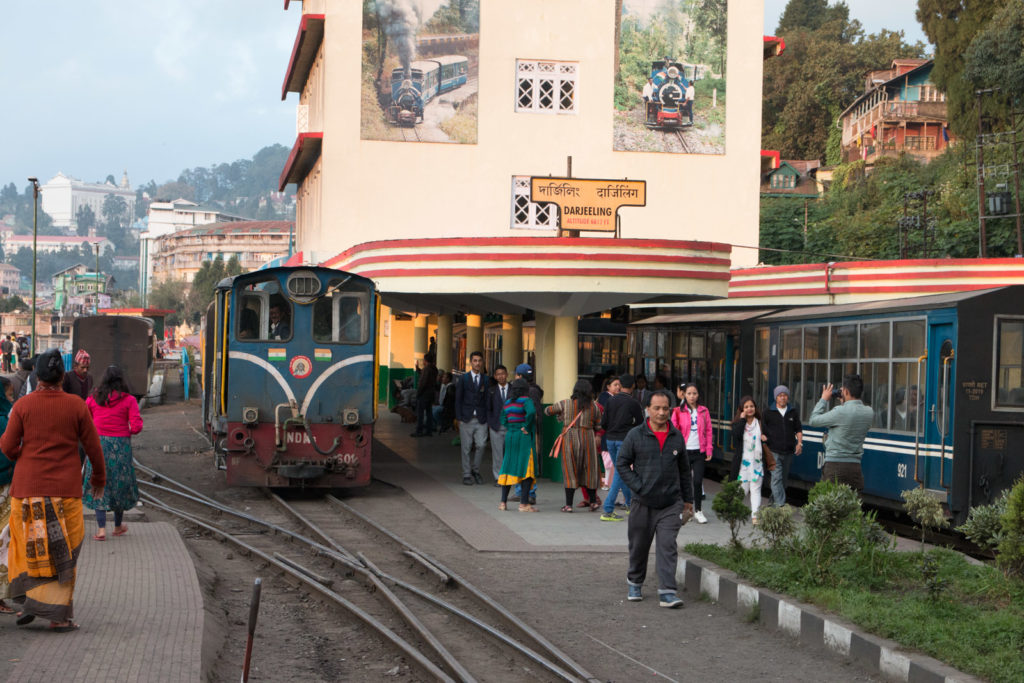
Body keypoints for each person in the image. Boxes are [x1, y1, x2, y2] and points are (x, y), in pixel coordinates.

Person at [1, 348, 105, 632]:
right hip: (65, 492)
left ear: (37, 377)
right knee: (64, 552)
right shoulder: (76, 405)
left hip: (26, 492)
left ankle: (30, 602)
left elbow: (7, 446)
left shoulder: (22, 406)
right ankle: (58, 617)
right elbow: (94, 448)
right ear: (62, 376)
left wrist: (26, 454)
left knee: (28, 550)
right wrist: (98, 478)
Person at [616, 390, 693, 608]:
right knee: (639, 546)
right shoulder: (635, 435)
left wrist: (688, 500)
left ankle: (668, 592)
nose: (661, 412)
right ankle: (635, 582)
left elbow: (685, 472)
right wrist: (638, 486)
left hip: (670, 503)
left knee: (667, 545)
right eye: (657, 408)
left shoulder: (676, 437)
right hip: (642, 503)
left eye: (666, 408)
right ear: (647, 410)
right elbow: (621, 463)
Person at [83, 365, 143, 541]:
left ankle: (101, 529)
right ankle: (117, 527)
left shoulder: (93, 398)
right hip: (121, 447)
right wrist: (125, 431)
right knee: (119, 485)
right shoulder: (129, 400)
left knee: (99, 483)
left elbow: (85, 420)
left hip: (98, 444)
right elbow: (137, 426)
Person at [807, 374, 874, 491]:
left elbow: (813, 420)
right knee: (852, 505)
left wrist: (823, 399)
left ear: (846, 392)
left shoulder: (839, 411)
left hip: (834, 466)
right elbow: (851, 417)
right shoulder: (869, 412)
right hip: (855, 468)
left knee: (830, 505)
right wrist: (845, 403)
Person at [545, 379, 603, 512]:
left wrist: (560, 414)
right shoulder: (594, 407)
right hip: (588, 438)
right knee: (590, 470)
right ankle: (593, 502)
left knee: (569, 469)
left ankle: (569, 505)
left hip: (570, 438)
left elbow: (548, 411)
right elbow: (599, 425)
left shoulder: (565, 403)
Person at [600, 374, 644, 521]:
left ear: (620, 385)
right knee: (620, 472)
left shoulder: (611, 400)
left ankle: (630, 504)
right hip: (624, 441)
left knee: (620, 470)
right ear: (633, 386)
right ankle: (608, 510)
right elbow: (640, 423)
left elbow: (603, 423)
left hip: (610, 440)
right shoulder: (633, 403)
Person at [671, 383, 713, 524]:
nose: (692, 396)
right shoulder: (677, 411)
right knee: (684, 482)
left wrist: (709, 449)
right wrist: (675, 450)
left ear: (698, 395)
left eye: (694, 393)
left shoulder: (703, 411)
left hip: (699, 452)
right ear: (684, 395)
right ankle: (685, 510)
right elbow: (674, 432)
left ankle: (698, 511)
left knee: (697, 481)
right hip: (684, 452)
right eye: (689, 393)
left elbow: (708, 431)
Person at [496, 379, 537, 512]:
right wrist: (526, 426)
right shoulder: (526, 401)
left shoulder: (508, 403)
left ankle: (503, 503)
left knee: (507, 467)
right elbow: (531, 412)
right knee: (526, 469)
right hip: (523, 437)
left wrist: (510, 427)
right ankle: (524, 504)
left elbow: (502, 418)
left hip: (510, 436)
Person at [761, 385, 803, 507]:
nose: (783, 398)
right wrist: (762, 436)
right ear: (776, 398)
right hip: (773, 450)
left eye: (785, 395)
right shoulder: (768, 412)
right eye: (780, 396)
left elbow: (798, 429)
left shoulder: (793, 412)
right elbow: (762, 429)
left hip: (788, 451)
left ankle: (772, 502)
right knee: (776, 478)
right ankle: (780, 506)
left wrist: (799, 443)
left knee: (783, 481)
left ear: (788, 397)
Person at [511, 363, 543, 505]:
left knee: (527, 462)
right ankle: (521, 491)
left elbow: (533, 414)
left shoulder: (529, 392)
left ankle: (529, 493)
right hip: (525, 431)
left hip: (526, 432)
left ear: (520, 376)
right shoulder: (532, 391)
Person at [455, 351, 489, 485]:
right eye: (475, 360)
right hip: (466, 418)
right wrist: (459, 417)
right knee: (466, 447)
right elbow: (458, 399)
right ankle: (466, 474)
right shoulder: (464, 379)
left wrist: (487, 417)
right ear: (470, 362)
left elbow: (487, 399)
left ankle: (475, 469)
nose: (477, 363)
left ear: (482, 362)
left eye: (479, 360)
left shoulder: (485, 379)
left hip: (481, 419)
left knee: (481, 445)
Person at [732, 396, 766, 525]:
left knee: (756, 490)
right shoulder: (738, 423)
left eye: (751, 406)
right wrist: (741, 420)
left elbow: (769, 439)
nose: (749, 409)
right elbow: (735, 436)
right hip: (743, 463)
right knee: (742, 490)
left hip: (757, 462)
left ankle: (755, 516)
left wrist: (765, 438)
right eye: (746, 407)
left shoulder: (761, 422)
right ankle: (735, 512)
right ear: (742, 409)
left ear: (755, 408)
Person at [0, 377, 16, 614]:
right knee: (4, 541)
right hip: (6, 488)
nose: (12, 399)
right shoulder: (7, 421)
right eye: (11, 395)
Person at [486, 365, 510, 485]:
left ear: (507, 374)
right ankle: (499, 477)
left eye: (503, 373)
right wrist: (490, 423)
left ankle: (510, 477)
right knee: (497, 454)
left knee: (510, 452)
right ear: (495, 376)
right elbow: (488, 409)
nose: (501, 376)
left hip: (511, 426)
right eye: (498, 374)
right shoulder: (491, 391)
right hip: (496, 426)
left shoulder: (513, 389)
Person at [411, 354, 438, 437]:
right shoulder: (434, 369)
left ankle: (419, 431)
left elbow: (423, 382)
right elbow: (424, 374)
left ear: (425, 360)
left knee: (420, 413)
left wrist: (418, 393)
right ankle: (428, 431)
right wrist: (418, 368)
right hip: (431, 394)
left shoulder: (427, 369)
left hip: (424, 394)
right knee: (429, 413)